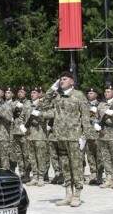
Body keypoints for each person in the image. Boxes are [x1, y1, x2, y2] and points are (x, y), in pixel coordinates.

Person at [42, 71, 93, 207]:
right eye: (60, 79)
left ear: (72, 81)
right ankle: (68, 194)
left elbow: (86, 116)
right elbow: (44, 105)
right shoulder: (57, 96)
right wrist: (51, 89)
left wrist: (85, 136)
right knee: (64, 166)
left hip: (74, 136)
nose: (62, 81)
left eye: (64, 79)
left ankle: (77, 194)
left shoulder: (79, 95)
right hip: (60, 137)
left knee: (76, 166)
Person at [21, 87, 51, 186]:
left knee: (40, 157)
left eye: (34, 93)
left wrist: (41, 114)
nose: (32, 94)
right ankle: (34, 176)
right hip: (29, 135)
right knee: (32, 157)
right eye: (31, 93)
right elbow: (21, 117)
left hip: (40, 135)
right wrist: (22, 127)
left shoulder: (43, 104)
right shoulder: (27, 104)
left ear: (39, 94)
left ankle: (41, 177)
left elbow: (50, 114)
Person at [85, 87, 103, 185]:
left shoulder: (100, 105)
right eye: (88, 93)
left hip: (97, 134)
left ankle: (99, 174)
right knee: (90, 155)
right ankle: (93, 174)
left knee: (99, 155)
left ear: (96, 95)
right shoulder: (84, 105)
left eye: (92, 93)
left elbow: (102, 118)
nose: (89, 95)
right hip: (87, 134)